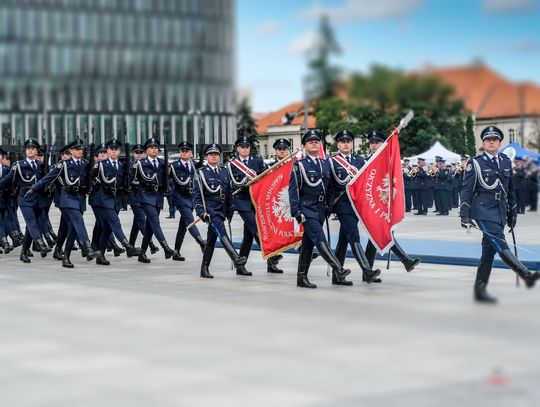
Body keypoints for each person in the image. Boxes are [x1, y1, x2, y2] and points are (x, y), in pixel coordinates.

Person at [460, 126, 539, 303]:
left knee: (488, 252)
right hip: (482, 209)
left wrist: (513, 212)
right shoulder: (476, 162)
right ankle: (525, 273)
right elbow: (466, 190)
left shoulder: (504, 161)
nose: (491, 142)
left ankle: (480, 290)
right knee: (498, 240)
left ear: (499, 143)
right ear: (483, 143)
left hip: (500, 210)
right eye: (488, 139)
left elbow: (510, 189)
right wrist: (464, 214)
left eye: (495, 139)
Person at [289, 130, 352, 288]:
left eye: (317, 141)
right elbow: (293, 190)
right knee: (319, 237)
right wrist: (296, 211)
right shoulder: (300, 165)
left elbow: (330, 187)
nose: (314, 143)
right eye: (311, 142)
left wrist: (329, 205)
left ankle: (301, 277)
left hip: (321, 208)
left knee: (308, 244)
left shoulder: (325, 163)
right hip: (306, 209)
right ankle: (338, 268)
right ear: (305, 146)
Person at [29, 138, 98, 268]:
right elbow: (48, 178)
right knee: (77, 221)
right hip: (67, 199)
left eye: (81, 149)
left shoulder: (85, 163)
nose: (80, 151)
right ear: (71, 151)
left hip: (80, 199)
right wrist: (34, 188)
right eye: (77, 149)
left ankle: (65, 256)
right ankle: (87, 246)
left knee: (70, 228)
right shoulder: (64, 165)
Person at [363, 131, 421, 280]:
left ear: (384, 144)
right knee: (383, 235)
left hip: (385, 206)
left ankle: (367, 272)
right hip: (372, 205)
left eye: (377, 142)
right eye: (372, 142)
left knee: (374, 238)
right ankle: (405, 261)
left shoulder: (389, 161)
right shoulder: (366, 162)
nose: (374, 145)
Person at [329, 129, 381, 285]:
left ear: (352, 144)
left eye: (348, 141)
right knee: (354, 236)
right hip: (343, 205)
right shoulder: (332, 161)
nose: (346, 144)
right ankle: (367, 270)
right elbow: (329, 185)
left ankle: (337, 275)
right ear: (338, 144)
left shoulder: (360, 161)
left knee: (343, 241)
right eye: (343, 142)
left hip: (357, 206)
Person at [228, 136, 283, 275]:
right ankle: (272, 256)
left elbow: (265, 179)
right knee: (256, 227)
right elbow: (232, 183)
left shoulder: (257, 161)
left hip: (255, 200)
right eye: (242, 146)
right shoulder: (232, 164)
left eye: (247, 146)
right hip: (242, 201)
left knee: (248, 235)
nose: (245, 149)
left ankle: (241, 266)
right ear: (237, 149)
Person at [193, 143, 248, 279]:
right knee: (221, 231)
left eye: (216, 154)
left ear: (219, 156)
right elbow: (197, 195)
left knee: (211, 240)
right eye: (211, 154)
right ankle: (236, 258)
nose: (214, 156)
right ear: (207, 156)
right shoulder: (201, 173)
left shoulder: (223, 171)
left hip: (221, 209)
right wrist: (201, 212)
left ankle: (204, 268)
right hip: (210, 211)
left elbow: (228, 192)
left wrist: (230, 210)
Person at [88, 139, 140, 265]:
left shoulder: (122, 165)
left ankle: (100, 255)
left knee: (107, 229)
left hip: (116, 199)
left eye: (116, 149)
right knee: (115, 222)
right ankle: (127, 245)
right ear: (108, 151)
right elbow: (91, 177)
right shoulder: (101, 164)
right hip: (104, 199)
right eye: (111, 149)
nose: (113, 151)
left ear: (119, 151)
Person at [0, 139, 52, 262]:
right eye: (28, 148)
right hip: (25, 199)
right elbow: (7, 179)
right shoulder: (19, 165)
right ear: (25, 151)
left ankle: (23, 253)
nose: (30, 150)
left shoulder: (42, 166)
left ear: (36, 151)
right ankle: (41, 244)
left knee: (30, 227)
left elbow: (48, 180)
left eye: (33, 149)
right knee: (31, 221)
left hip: (39, 200)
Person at [132, 137, 174, 263]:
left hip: (158, 197)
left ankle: (142, 253)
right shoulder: (141, 163)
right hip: (145, 196)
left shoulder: (162, 163)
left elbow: (168, 178)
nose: (154, 150)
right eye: (151, 148)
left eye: (156, 148)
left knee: (150, 226)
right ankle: (165, 247)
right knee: (155, 221)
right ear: (146, 150)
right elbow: (133, 180)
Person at [168, 141, 206, 261]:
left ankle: (176, 251)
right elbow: (168, 181)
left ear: (190, 153)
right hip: (180, 197)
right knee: (190, 219)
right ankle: (201, 241)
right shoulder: (175, 165)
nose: (184, 153)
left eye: (187, 151)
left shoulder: (195, 164)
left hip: (191, 197)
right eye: (182, 151)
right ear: (180, 152)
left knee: (183, 226)